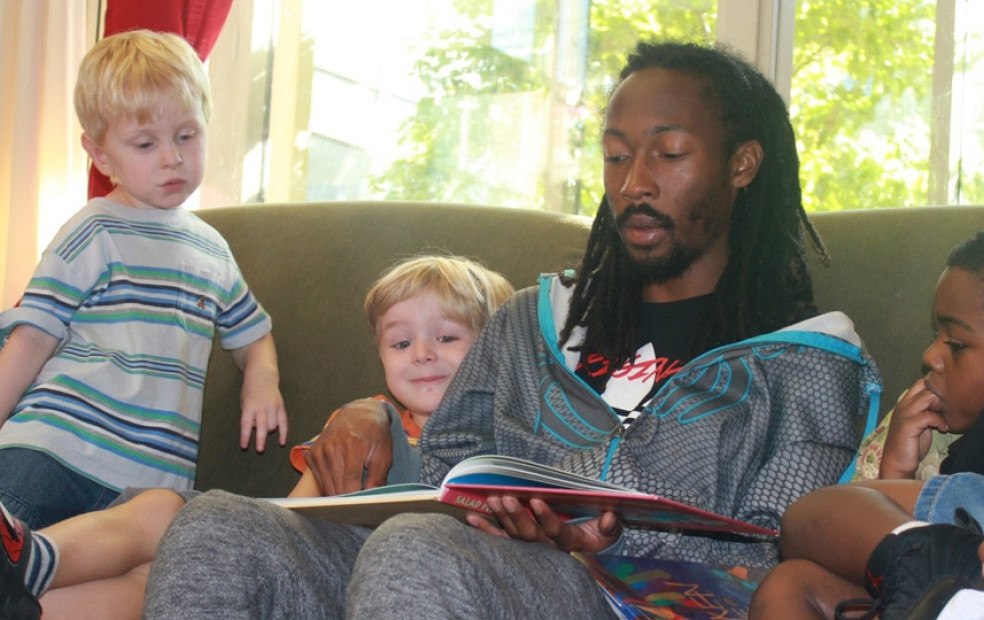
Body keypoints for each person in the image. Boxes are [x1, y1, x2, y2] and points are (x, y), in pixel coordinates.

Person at [142, 40, 881, 619]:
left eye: (669, 153)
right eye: (616, 156)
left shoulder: (806, 364)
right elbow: (444, 470)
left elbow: (779, 552)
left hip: (635, 600)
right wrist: (392, 427)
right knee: (216, 526)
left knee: (418, 551)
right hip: (459, 567)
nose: (634, 183)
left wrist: (598, 539)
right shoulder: (532, 320)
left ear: (743, 165)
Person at [0, 255, 514, 620]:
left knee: (168, 562)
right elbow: (283, 520)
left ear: (495, 353)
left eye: (446, 337)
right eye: (401, 342)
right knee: (162, 530)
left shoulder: (505, 445)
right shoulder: (367, 425)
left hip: (367, 580)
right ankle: (30, 561)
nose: (421, 353)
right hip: (283, 552)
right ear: (381, 358)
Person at [0, 29, 287, 531]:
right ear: (102, 155)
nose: (171, 157)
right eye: (145, 143)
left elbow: (252, 333)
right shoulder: (94, 228)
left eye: (186, 135)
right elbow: (31, 339)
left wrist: (261, 382)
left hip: (148, 487)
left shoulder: (213, 250)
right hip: (55, 449)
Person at [749, 222, 984, 620]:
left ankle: (933, 567)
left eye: (957, 344)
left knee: (812, 515)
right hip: (974, 576)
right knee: (792, 583)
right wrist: (896, 471)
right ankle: (930, 571)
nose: (931, 356)